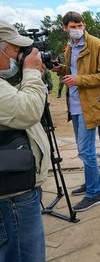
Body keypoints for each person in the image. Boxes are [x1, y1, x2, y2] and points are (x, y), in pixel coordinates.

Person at [0, 20, 51, 261]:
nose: (19, 57)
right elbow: (28, 110)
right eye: (14, 50)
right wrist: (31, 73)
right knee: (24, 255)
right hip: (11, 195)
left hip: (15, 186)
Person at [53, 11, 100, 212]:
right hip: (75, 105)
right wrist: (61, 69)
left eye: (79, 25)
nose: (77, 29)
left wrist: (77, 80)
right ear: (65, 28)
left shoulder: (95, 44)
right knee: (83, 150)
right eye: (73, 26)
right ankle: (91, 182)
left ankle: (95, 193)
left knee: (85, 151)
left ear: (83, 24)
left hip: (90, 105)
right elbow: (73, 71)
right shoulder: (70, 46)